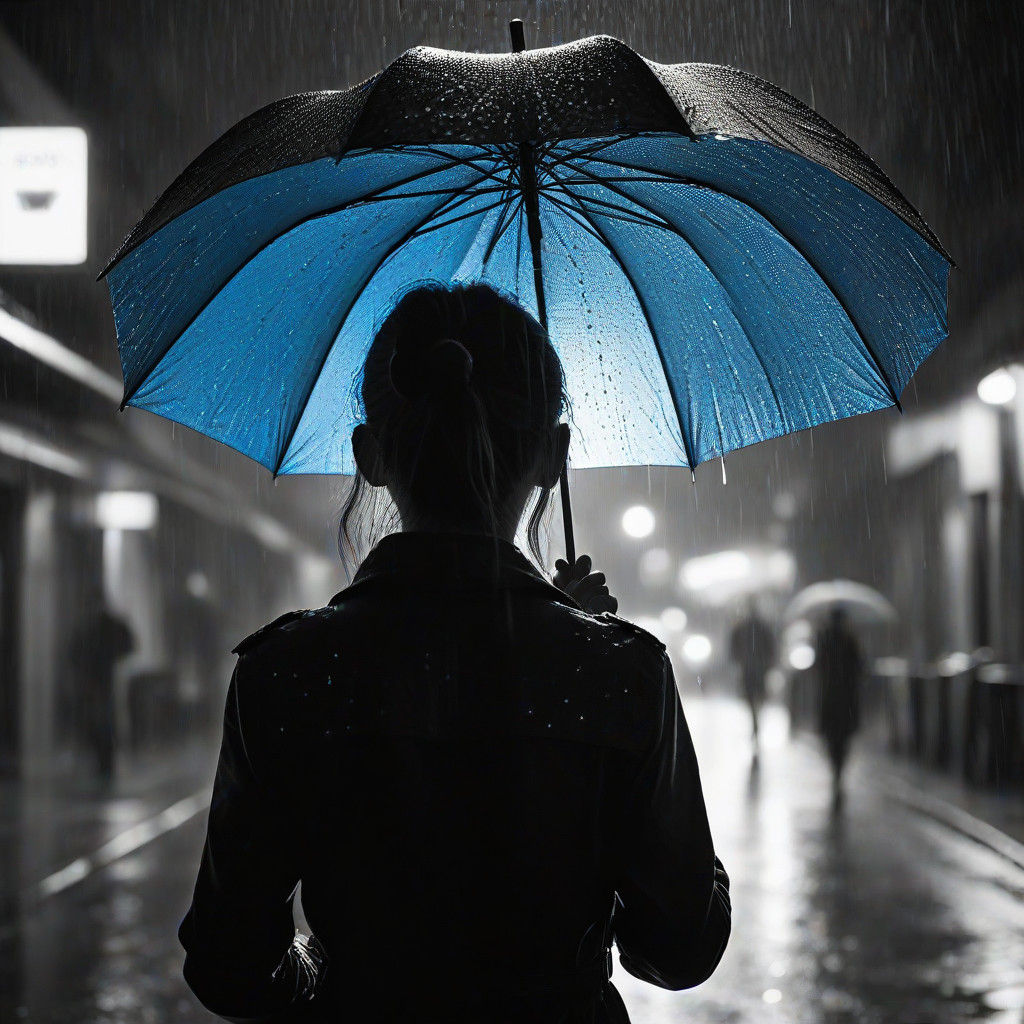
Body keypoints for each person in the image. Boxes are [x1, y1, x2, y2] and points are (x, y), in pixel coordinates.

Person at [178, 284, 731, 1023]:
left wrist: (325, 972)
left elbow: (230, 965)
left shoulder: (285, 669)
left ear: (370, 456)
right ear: (555, 456)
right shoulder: (619, 673)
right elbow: (678, 948)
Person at [68, 596, 135, 781]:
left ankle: (104, 759)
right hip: (97, 677)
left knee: (103, 717)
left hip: (102, 677)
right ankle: (103, 758)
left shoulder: (95, 626)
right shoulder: (94, 627)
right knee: (100, 717)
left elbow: (74, 652)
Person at [815, 607, 863, 800]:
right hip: (845, 699)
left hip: (831, 697)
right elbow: (859, 667)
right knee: (842, 738)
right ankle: (838, 771)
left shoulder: (825, 641)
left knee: (833, 738)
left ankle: (836, 770)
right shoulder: (849, 640)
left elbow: (818, 667)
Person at [727, 597, 776, 744]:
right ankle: (755, 721)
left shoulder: (743, 627)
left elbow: (734, 647)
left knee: (752, 697)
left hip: (750, 668)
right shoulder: (760, 627)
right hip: (756, 668)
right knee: (756, 697)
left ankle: (755, 721)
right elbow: (771, 647)